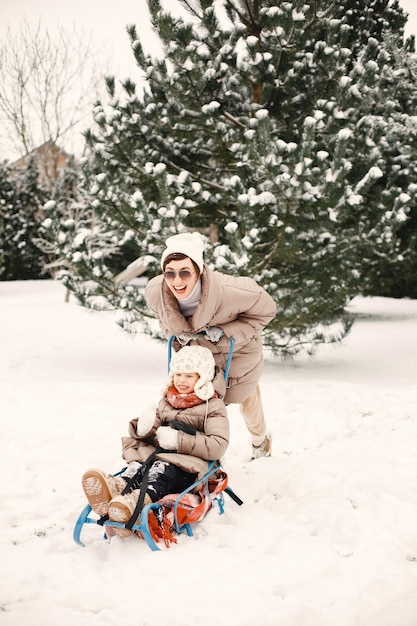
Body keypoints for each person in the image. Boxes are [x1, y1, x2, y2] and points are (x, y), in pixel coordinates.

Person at [145, 232, 277, 459]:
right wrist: (178, 334)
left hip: (236, 355)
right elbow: (163, 318)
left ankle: (260, 440)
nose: (177, 281)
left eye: (185, 273)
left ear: (198, 271)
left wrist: (227, 332)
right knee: (201, 410)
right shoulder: (155, 292)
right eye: (170, 273)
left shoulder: (235, 291)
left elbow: (266, 311)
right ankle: (211, 461)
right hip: (197, 359)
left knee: (247, 400)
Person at [81, 345, 229, 538]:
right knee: (138, 467)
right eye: (178, 374)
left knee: (161, 472)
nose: (181, 381)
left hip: (188, 465)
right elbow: (152, 434)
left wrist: (178, 440)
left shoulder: (213, 407)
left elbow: (218, 445)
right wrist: (145, 428)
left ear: (202, 379)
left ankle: (134, 505)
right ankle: (118, 487)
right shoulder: (168, 399)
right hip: (158, 453)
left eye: (189, 376)